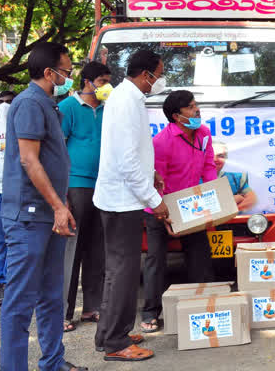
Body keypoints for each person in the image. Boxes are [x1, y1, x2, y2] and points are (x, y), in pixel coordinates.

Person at [0, 42, 87, 371]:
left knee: (53, 296)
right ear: (49, 72)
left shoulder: (49, 105)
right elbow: (28, 159)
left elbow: (52, 163)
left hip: (49, 215)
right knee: (20, 302)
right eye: (66, 70)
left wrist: (61, 203)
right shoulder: (29, 103)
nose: (69, 75)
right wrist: (57, 206)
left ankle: (52, 362)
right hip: (29, 218)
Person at [94, 49, 170, 362]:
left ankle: (111, 333)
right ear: (146, 74)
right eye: (159, 73)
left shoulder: (129, 98)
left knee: (118, 271)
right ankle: (115, 342)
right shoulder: (125, 101)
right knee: (123, 273)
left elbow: (130, 151)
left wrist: (150, 171)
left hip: (123, 197)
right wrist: (155, 201)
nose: (160, 80)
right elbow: (126, 161)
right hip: (122, 200)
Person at [141, 90, 217, 333]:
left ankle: (201, 305)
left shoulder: (203, 134)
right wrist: (162, 214)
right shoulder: (161, 142)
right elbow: (156, 182)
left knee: (200, 256)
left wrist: (212, 201)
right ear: (176, 116)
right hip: (161, 207)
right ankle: (150, 312)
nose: (197, 110)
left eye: (197, 105)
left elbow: (209, 166)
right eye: (191, 107)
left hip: (191, 206)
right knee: (156, 260)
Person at [59, 61, 111, 333]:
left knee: (97, 248)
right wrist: (62, 195)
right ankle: (64, 313)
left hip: (103, 186)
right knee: (72, 249)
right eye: (103, 82)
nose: (106, 88)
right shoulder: (68, 108)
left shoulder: (108, 109)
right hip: (76, 185)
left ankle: (92, 307)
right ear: (88, 82)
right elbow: (57, 149)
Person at [212, 141, 257, 212]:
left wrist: (226, 213)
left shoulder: (235, 178)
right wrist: (235, 199)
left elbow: (251, 199)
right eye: (211, 155)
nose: (215, 159)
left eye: (220, 156)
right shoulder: (192, 178)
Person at [0, 96, 10, 307]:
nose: (5, 105)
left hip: (15, 190)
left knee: (13, 241)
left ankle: (9, 283)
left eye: (9, 101)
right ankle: (1, 283)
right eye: (1, 101)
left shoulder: (18, 123)